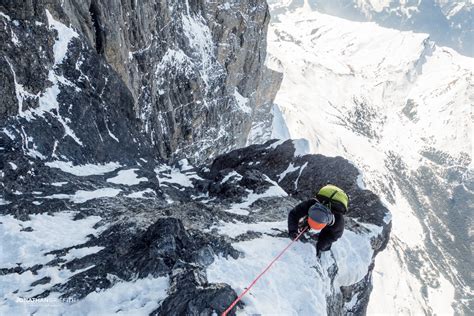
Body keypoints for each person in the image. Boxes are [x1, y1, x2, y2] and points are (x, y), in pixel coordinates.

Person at [287, 184, 348, 257]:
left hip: (331, 218)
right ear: (309, 211)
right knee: (306, 225)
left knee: (324, 243)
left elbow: (333, 236)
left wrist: (321, 246)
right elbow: (293, 214)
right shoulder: (310, 204)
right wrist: (293, 231)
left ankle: (321, 244)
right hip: (322, 202)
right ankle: (307, 224)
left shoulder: (338, 222)